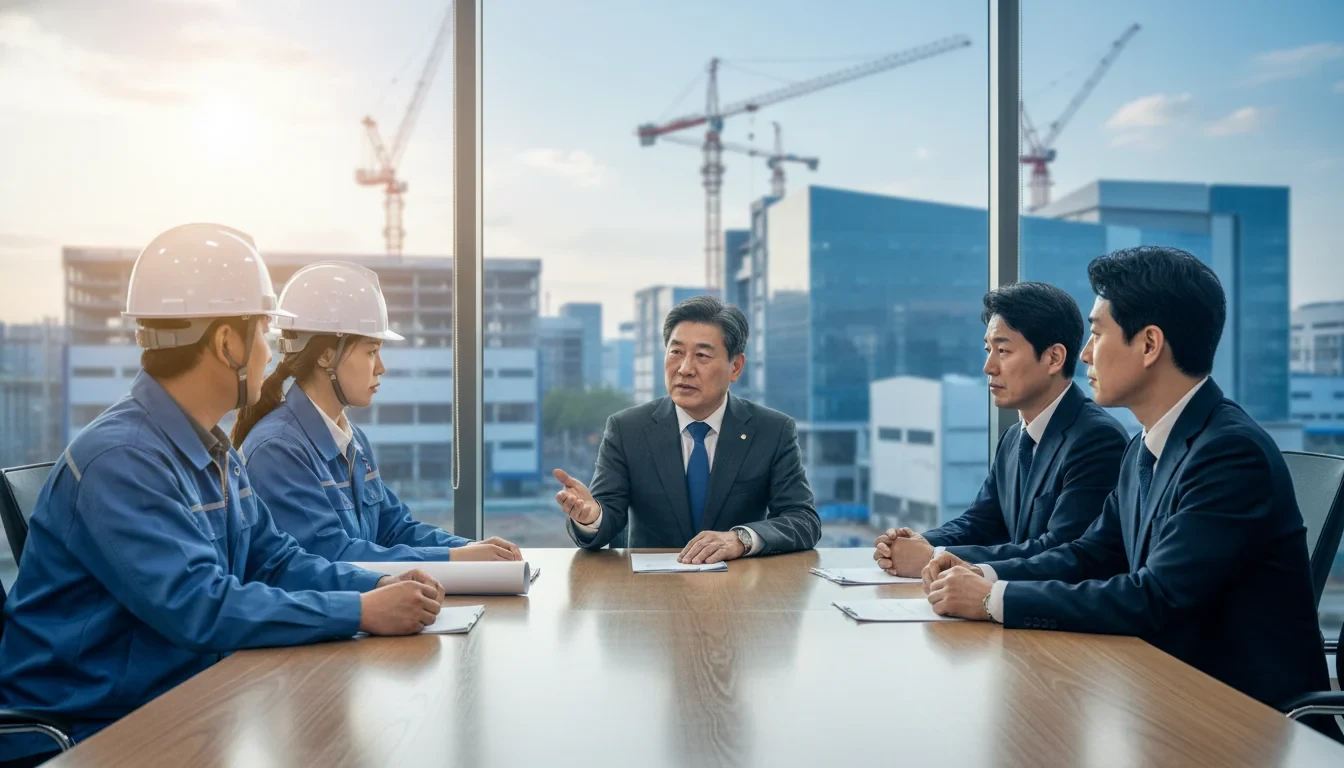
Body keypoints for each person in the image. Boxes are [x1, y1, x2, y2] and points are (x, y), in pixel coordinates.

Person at [0, 225, 444, 764]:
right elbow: (199, 606)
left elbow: (275, 561)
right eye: (263, 333)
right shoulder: (121, 459)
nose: (271, 354)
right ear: (227, 342)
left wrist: (378, 587)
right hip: (88, 735)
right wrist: (360, 610)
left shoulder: (214, 452)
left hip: (177, 707)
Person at [923, 246, 1330, 714]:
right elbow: (1089, 554)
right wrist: (983, 574)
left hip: (1243, 717)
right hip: (1163, 695)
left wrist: (994, 599)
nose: (1085, 353)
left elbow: (1156, 597)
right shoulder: (1145, 446)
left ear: (1149, 344)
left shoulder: (1230, 453)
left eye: (1098, 334)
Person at [233, 261, 521, 563]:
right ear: (326, 356)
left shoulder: (353, 441)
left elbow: (395, 529)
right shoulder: (278, 450)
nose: (381, 367)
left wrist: (469, 549)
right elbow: (335, 557)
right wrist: (455, 559)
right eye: (371, 351)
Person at [873, 282, 1126, 576]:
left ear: (1054, 358)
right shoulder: (1015, 437)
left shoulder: (1096, 440)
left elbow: (1061, 551)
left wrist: (934, 556)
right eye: (988, 349)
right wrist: (915, 544)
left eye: (1003, 350)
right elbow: (981, 522)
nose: (988, 366)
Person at [553, 295, 820, 563]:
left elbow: (803, 519)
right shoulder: (627, 429)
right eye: (676, 352)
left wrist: (741, 539)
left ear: (736, 367)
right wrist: (591, 517)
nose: (685, 369)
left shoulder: (772, 431)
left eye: (702, 355)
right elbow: (607, 514)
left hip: (739, 583)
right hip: (651, 585)